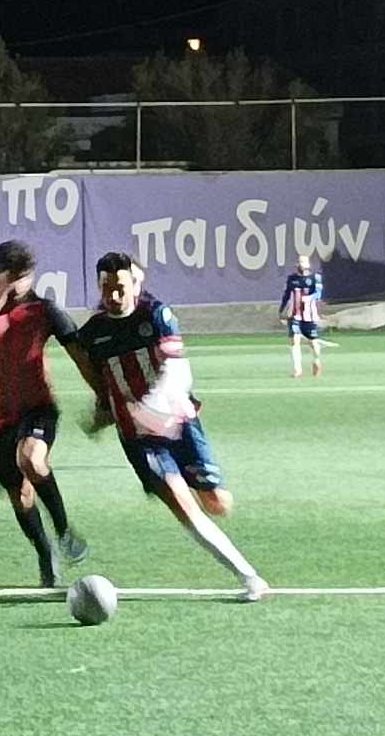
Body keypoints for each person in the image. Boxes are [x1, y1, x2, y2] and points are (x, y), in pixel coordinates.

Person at [75, 251, 267, 602]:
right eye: (106, 289)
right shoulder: (93, 333)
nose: (114, 296)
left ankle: (223, 527)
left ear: (136, 284)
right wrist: (103, 411)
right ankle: (250, 577)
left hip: (181, 424)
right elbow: (98, 379)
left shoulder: (157, 315)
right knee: (181, 503)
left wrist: (152, 407)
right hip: (139, 439)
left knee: (217, 503)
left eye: (120, 287)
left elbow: (178, 370)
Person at [0, 240, 91, 588]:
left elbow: (79, 352)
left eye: (24, 275)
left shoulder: (44, 310)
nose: (19, 282)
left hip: (37, 408)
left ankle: (64, 531)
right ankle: (45, 553)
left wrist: (104, 397)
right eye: (11, 275)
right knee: (21, 496)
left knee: (31, 458)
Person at [279, 254, 325, 378]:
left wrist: (308, 298)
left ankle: (316, 360)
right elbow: (286, 295)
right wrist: (282, 309)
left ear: (308, 264)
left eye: (304, 262)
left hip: (309, 316)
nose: (301, 264)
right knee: (295, 340)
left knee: (313, 343)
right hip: (295, 315)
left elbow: (319, 294)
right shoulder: (292, 279)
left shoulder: (315, 278)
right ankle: (297, 370)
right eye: (300, 262)